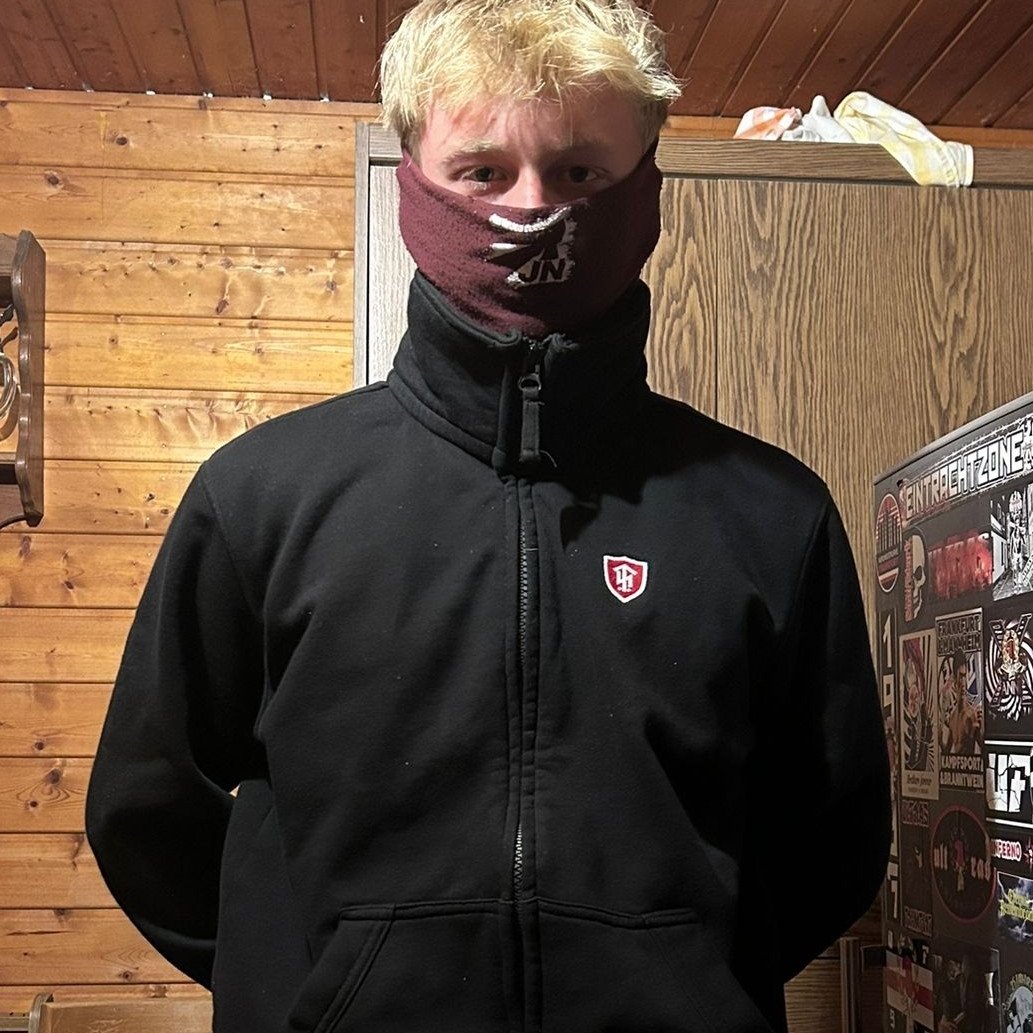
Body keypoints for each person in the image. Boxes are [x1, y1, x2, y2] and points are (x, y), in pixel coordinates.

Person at [85, 2, 891, 1031]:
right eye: (482, 171)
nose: (532, 208)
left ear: (645, 183)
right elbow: (148, 807)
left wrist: (686, 980)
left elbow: (831, 837)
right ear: (415, 178)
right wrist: (305, 989)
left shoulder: (773, 514)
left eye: (579, 171)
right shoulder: (258, 497)